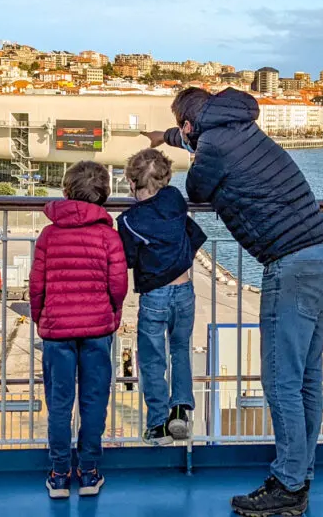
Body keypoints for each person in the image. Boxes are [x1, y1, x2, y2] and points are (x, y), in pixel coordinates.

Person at [146, 87, 323, 517]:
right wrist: (166, 138)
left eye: (183, 129)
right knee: (306, 377)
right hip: (322, 256)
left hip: (291, 266)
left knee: (280, 381)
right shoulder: (237, 126)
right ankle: (301, 472)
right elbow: (199, 141)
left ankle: (288, 485)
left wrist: (184, 146)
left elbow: (197, 185)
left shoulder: (211, 145)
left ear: (190, 123)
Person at [30, 161, 128, 499]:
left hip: (57, 332)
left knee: (59, 404)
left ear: (66, 192)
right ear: (104, 195)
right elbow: (118, 285)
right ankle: (88, 472)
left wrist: (39, 317)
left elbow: (36, 285)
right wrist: (112, 315)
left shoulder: (49, 235)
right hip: (98, 329)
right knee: (94, 400)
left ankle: (59, 474)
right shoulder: (108, 236)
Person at [117, 148, 206, 446]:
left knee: (153, 361)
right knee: (180, 350)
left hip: (154, 296)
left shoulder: (129, 220)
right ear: (166, 179)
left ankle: (158, 425)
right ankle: (180, 410)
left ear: (131, 183)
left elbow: (129, 258)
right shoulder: (175, 200)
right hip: (185, 290)